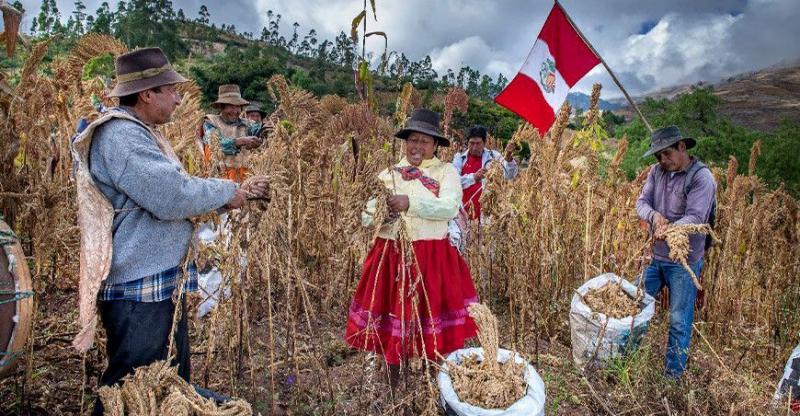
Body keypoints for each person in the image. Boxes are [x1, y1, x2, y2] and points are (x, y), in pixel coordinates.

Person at [70, 47, 270, 415]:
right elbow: (170, 194)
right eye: (172, 91)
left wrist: (225, 195)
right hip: (138, 290)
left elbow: (173, 189)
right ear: (148, 94)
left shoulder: (139, 133)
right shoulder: (120, 137)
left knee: (166, 385)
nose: (179, 99)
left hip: (155, 281)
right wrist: (228, 192)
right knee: (133, 390)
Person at [345, 109, 478, 384]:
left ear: (435, 145)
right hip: (392, 256)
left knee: (432, 324)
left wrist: (410, 204)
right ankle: (394, 383)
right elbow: (366, 214)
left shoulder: (446, 173)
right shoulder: (389, 174)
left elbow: (450, 207)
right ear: (405, 143)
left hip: (431, 257)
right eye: (412, 140)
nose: (417, 146)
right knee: (394, 319)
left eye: (424, 141)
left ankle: (435, 384)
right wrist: (381, 214)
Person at [635, 125, 717, 378]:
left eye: (667, 154)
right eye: (658, 156)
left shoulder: (702, 178)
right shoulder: (656, 173)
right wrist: (654, 215)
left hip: (684, 262)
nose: (663, 160)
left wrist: (668, 229)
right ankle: (624, 359)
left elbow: (695, 217)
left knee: (679, 321)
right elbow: (641, 203)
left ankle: (672, 378)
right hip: (655, 258)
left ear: (682, 147)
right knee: (633, 305)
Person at [198, 84, 263, 183]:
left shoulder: (248, 124)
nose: (235, 111)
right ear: (221, 107)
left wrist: (263, 136)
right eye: (231, 107)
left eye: (238, 107)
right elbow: (215, 146)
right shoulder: (210, 122)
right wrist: (239, 141)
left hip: (246, 180)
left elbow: (260, 131)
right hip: (219, 181)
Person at [451, 125, 518, 221]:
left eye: (478, 143)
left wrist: (508, 158)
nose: (474, 147)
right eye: (471, 143)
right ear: (467, 142)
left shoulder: (493, 156)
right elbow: (453, 182)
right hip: (463, 215)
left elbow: (509, 175)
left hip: (487, 215)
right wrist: (474, 177)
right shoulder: (459, 158)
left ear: (484, 143)